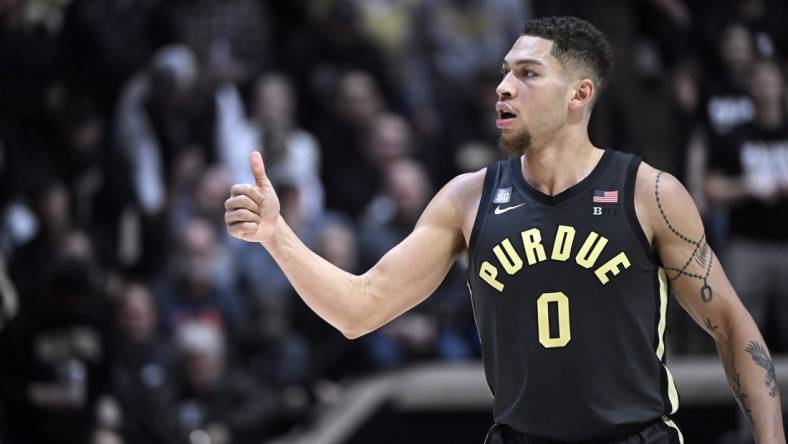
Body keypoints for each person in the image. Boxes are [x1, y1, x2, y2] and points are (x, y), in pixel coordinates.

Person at [224, 16, 785, 444]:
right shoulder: (468, 198)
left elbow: (732, 326)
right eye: (504, 73)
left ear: (579, 95)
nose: (504, 87)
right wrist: (277, 236)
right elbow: (358, 309)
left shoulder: (649, 192)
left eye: (527, 74)